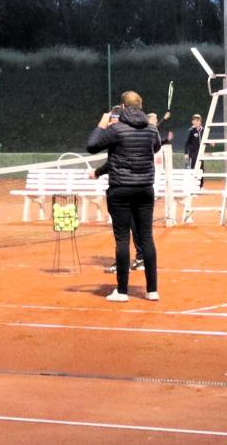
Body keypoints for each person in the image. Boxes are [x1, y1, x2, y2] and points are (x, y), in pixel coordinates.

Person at [86, 90, 161, 302]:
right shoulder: (151, 129)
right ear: (140, 106)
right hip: (145, 188)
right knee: (147, 238)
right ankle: (152, 290)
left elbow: (92, 146)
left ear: (123, 107)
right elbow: (155, 148)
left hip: (120, 189)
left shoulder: (116, 130)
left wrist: (103, 123)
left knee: (122, 239)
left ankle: (122, 291)